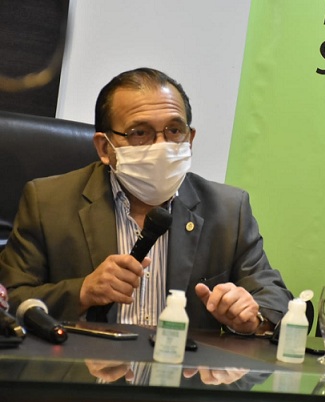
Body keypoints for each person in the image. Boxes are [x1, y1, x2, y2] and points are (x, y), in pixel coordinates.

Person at [0, 67, 292, 336]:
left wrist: (254, 316)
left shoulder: (228, 210)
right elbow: (9, 299)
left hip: (183, 371)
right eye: (140, 133)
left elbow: (275, 297)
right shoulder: (47, 202)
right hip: (81, 368)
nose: (161, 146)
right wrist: (83, 291)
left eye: (174, 131)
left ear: (190, 139)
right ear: (104, 147)